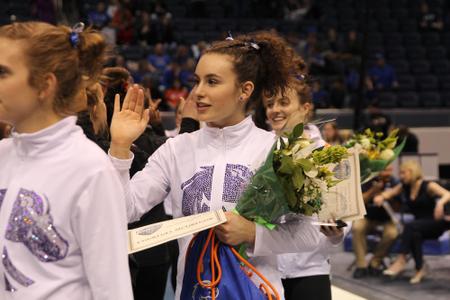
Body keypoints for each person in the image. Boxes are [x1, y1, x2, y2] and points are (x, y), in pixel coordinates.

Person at [108, 31, 322, 299]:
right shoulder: (176, 149)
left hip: (256, 292)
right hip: (194, 292)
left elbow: (312, 234)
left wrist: (253, 233)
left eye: (212, 82)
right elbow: (121, 211)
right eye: (196, 81)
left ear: (245, 90)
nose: (198, 92)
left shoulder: (276, 151)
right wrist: (119, 147)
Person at [0, 21, 132, 299]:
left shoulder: (90, 169)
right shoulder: (4, 154)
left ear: (44, 84)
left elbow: (113, 290)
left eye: (2, 73)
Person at [263, 78, 350, 300]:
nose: (275, 110)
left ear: (305, 108)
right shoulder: (258, 151)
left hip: (311, 268)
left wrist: (337, 231)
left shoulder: (331, 156)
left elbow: (345, 213)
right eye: (270, 104)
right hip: (264, 269)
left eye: (283, 103)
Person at [375, 160, 450, 284]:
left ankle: (401, 259)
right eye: (401, 173)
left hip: (436, 223)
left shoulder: (428, 185)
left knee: (410, 226)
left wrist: (440, 203)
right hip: (419, 226)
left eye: (404, 173)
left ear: (412, 172)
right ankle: (420, 269)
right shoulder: (405, 186)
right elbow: (391, 192)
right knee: (415, 235)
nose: (401, 176)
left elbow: (448, 194)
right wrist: (381, 196)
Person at [351, 165, 400, 278]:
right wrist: (373, 191)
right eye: (384, 170)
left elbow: (399, 207)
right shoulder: (368, 180)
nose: (387, 173)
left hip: (387, 218)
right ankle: (361, 265)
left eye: (389, 170)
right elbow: (359, 201)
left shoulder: (395, 183)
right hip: (368, 216)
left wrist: (388, 196)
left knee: (392, 234)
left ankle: (375, 262)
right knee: (357, 228)